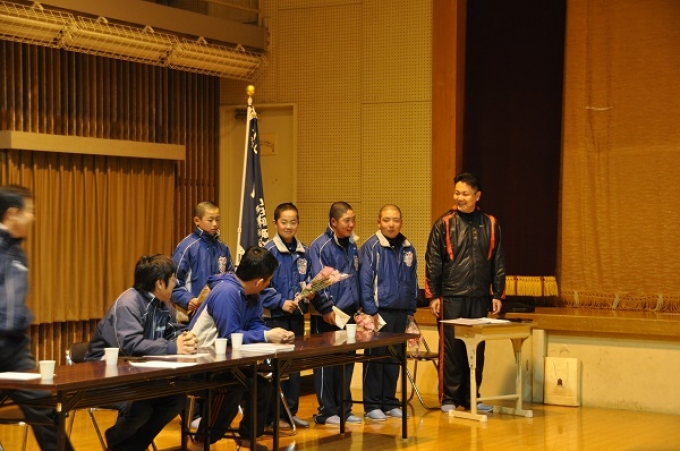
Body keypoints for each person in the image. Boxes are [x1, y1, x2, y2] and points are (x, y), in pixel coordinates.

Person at [85, 254, 198, 451]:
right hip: (105, 374)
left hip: (137, 373)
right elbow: (131, 346)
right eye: (173, 279)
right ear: (160, 283)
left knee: (175, 400)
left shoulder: (165, 305)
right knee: (141, 406)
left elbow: (172, 332)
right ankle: (117, 442)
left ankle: (129, 447)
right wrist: (173, 347)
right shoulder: (128, 303)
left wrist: (186, 338)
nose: (176, 284)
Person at [189, 246, 295, 449]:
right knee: (232, 387)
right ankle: (202, 442)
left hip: (225, 363)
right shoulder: (226, 292)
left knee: (262, 386)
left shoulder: (252, 293)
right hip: (201, 363)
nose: (268, 284)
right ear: (259, 282)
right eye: (268, 280)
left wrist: (275, 334)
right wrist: (266, 335)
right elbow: (230, 336)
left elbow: (255, 324)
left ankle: (248, 437)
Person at [0, 185, 76, 451]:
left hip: (15, 349)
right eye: (29, 211)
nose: (33, 217)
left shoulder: (17, 251)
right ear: (13, 213)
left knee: (43, 407)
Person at [424, 172, 505, 413]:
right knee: (452, 350)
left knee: (477, 350)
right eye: (457, 193)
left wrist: (497, 294)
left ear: (477, 196)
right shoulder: (444, 223)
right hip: (451, 296)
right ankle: (449, 398)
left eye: (465, 194)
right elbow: (433, 261)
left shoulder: (491, 223)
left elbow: (498, 261)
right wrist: (434, 295)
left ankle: (472, 398)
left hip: (479, 296)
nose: (460, 198)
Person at [359, 204, 418, 420]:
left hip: (401, 312)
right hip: (378, 312)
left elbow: (413, 281)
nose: (391, 224)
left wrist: (411, 310)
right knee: (375, 359)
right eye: (386, 220)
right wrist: (371, 311)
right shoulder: (371, 247)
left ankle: (389, 401)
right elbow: (365, 282)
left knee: (394, 359)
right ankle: (372, 404)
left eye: (395, 220)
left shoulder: (408, 248)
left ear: (401, 222)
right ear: (379, 222)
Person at [308, 202, 362, 426]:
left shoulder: (353, 245)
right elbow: (317, 280)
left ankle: (344, 408)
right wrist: (326, 308)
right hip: (327, 313)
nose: (351, 224)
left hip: (349, 313)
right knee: (325, 362)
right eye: (346, 220)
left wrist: (359, 308)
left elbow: (356, 277)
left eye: (353, 220)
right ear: (333, 222)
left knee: (346, 361)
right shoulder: (320, 246)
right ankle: (326, 410)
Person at [260, 203, 312, 429]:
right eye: (284, 222)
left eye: (293, 222)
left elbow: (308, 279)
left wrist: (309, 292)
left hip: (297, 316)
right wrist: (281, 302)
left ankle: (290, 412)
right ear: (275, 224)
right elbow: (261, 285)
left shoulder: (304, 251)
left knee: (293, 366)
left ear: (298, 223)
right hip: (274, 317)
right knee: (276, 368)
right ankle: (273, 416)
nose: (289, 227)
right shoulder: (268, 251)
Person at [171, 201, 233, 320]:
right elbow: (173, 282)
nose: (215, 224)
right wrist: (188, 299)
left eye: (218, 220)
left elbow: (230, 278)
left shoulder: (223, 248)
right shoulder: (186, 247)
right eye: (210, 220)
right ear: (197, 221)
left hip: (219, 312)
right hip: (192, 312)